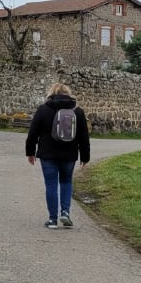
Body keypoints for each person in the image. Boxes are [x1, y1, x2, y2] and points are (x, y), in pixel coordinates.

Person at [25, 83, 90, 229]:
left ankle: (52, 219)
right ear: (68, 93)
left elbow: (33, 133)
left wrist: (30, 152)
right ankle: (65, 213)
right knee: (66, 182)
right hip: (69, 155)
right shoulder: (78, 111)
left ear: (51, 93)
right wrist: (85, 157)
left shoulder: (43, 109)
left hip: (48, 154)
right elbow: (84, 137)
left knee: (51, 185)